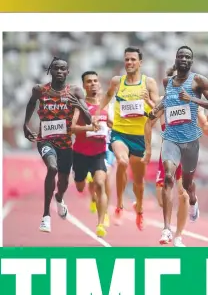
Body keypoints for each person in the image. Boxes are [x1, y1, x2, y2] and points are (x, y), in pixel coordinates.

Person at [148, 46, 208, 245]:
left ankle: (194, 201)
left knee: (187, 186)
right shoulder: (167, 82)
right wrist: (156, 110)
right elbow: (168, 103)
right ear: (176, 59)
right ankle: (166, 229)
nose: (184, 59)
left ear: (191, 61)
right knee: (168, 178)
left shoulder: (199, 81)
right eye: (181, 56)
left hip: (190, 141)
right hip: (170, 139)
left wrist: (192, 99)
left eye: (188, 57)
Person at [23, 56, 93, 233]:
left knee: (63, 182)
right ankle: (46, 216)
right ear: (50, 71)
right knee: (52, 168)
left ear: (68, 72)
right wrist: (25, 124)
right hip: (45, 140)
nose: (60, 72)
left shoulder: (75, 91)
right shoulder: (40, 90)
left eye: (63, 69)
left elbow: (88, 119)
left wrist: (80, 106)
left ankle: (59, 198)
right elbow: (31, 103)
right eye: (56, 68)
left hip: (65, 144)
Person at [96, 46, 160, 230]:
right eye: (127, 59)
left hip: (140, 136)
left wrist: (148, 101)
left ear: (140, 62)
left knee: (139, 183)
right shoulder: (117, 82)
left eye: (133, 59)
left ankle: (139, 209)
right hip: (120, 133)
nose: (129, 63)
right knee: (122, 162)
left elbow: (158, 107)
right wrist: (98, 113)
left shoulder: (149, 83)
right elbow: (107, 96)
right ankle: (119, 206)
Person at [71, 70, 111, 237]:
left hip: (99, 153)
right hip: (80, 154)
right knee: (80, 188)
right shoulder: (80, 105)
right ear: (84, 85)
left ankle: (100, 223)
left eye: (95, 80)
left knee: (101, 184)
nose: (93, 83)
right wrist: (89, 127)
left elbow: (112, 123)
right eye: (89, 81)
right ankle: (85, 180)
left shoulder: (105, 104)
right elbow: (72, 128)